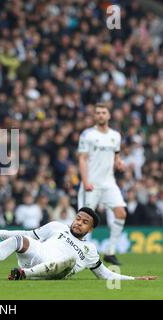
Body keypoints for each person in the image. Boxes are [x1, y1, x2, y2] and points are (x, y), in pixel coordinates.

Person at [0, 207, 157, 281]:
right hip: (38, 256)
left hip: (57, 269)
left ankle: (23, 275)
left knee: (69, 259)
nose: (78, 222)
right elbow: (29, 234)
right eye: (78, 218)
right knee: (20, 240)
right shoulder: (56, 226)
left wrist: (134, 279)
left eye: (84, 222)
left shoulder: (90, 250)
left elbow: (104, 274)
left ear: (90, 229)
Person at [77, 103, 127, 265]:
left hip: (109, 183)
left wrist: (119, 162)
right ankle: (79, 252)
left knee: (121, 213)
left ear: (109, 115)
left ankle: (110, 252)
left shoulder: (115, 135)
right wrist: (85, 182)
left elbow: (116, 155)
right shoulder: (88, 134)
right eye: (97, 112)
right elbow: (82, 159)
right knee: (85, 219)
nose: (100, 115)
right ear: (94, 116)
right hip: (91, 183)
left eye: (103, 112)